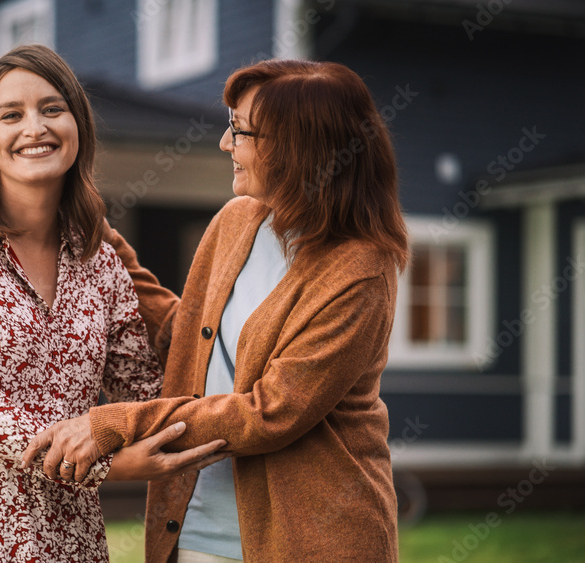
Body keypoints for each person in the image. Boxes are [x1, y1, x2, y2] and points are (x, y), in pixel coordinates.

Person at [22, 59, 409, 562]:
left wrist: (111, 424)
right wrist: (90, 228)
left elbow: (269, 413)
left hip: (311, 542)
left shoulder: (360, 269)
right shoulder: (238, 221)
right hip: (194, 531)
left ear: (297, 146)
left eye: (240, 131)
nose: (226, 144)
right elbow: (184, 339)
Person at [0, 44, 225, 563]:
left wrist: (246, 378)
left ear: (79, 126)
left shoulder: (98, 258)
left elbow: (144, 389)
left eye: (52, 109)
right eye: (11, 114)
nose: (35, 127)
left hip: (62, 535)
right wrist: (107, 465)